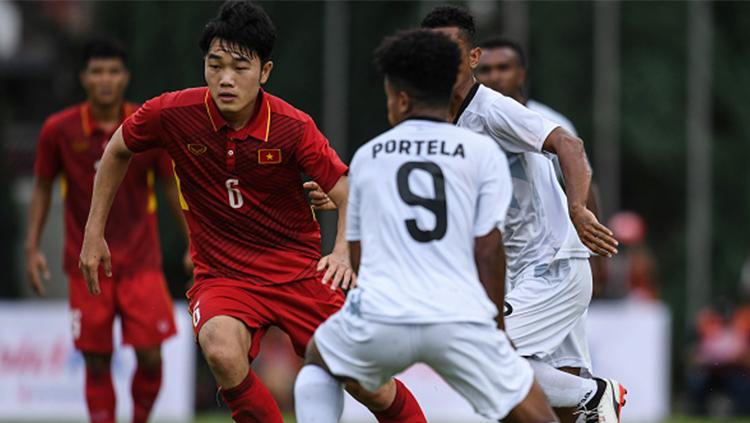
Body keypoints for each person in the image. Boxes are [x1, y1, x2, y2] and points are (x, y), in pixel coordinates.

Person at [78, 2, 425, 422]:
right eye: (215, 64)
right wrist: (93, 234)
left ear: (264, 72)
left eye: (240, 67)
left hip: (298, 272)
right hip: (224, 275)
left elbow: (348, 191)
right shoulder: (172, 114)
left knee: (367, 382)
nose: (225, 79)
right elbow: (117, 149)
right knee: (221, 350)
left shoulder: (293, 127)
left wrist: (341, 253)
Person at [294, 28, 558, 423]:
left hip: (385, 313)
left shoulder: (369, 156)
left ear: (401, 100)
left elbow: (362, 251)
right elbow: (488, 248)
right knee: (533, 412)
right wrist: (496, 331)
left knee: (318, 362)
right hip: (458, 314)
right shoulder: (481, 151)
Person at [420, 7, 626, 422]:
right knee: (547, 390)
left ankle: (595, 394)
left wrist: (579, 209)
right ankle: (588, 400)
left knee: (477, 354)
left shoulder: (492, 109)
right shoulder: (439, 122)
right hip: (516, 273)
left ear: (472, 57)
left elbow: (570, 145)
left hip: (552, 266)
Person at [25, 38, 186, 423]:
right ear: (84, 78)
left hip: (141, 261)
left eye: (113, 71)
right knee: (97, 360)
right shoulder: (57, 131)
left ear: (125, 77)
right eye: (97, 71)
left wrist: (194, 241)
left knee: (150, 355)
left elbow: (170, 186)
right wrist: (32, 247)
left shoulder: (145, 127)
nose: (105, 80)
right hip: (87, 264)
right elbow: (44, 187)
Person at [474, 36, 607, 296]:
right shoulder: (472, 122)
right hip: (494, 252)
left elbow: (583, 184)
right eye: (485, 70)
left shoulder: (551, 124)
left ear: (521, 73)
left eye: (504, 68)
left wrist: (596, 256)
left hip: (547, 258)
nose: (495, 77)